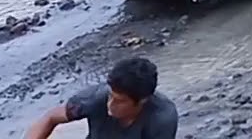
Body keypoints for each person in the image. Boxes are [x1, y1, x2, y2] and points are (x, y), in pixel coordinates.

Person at [25, 56, 178, 138]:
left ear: (142, 100)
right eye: (111, 96)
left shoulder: (162, 117)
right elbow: (51, 118)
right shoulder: (96, 98)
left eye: (120, 101)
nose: (110, 104)